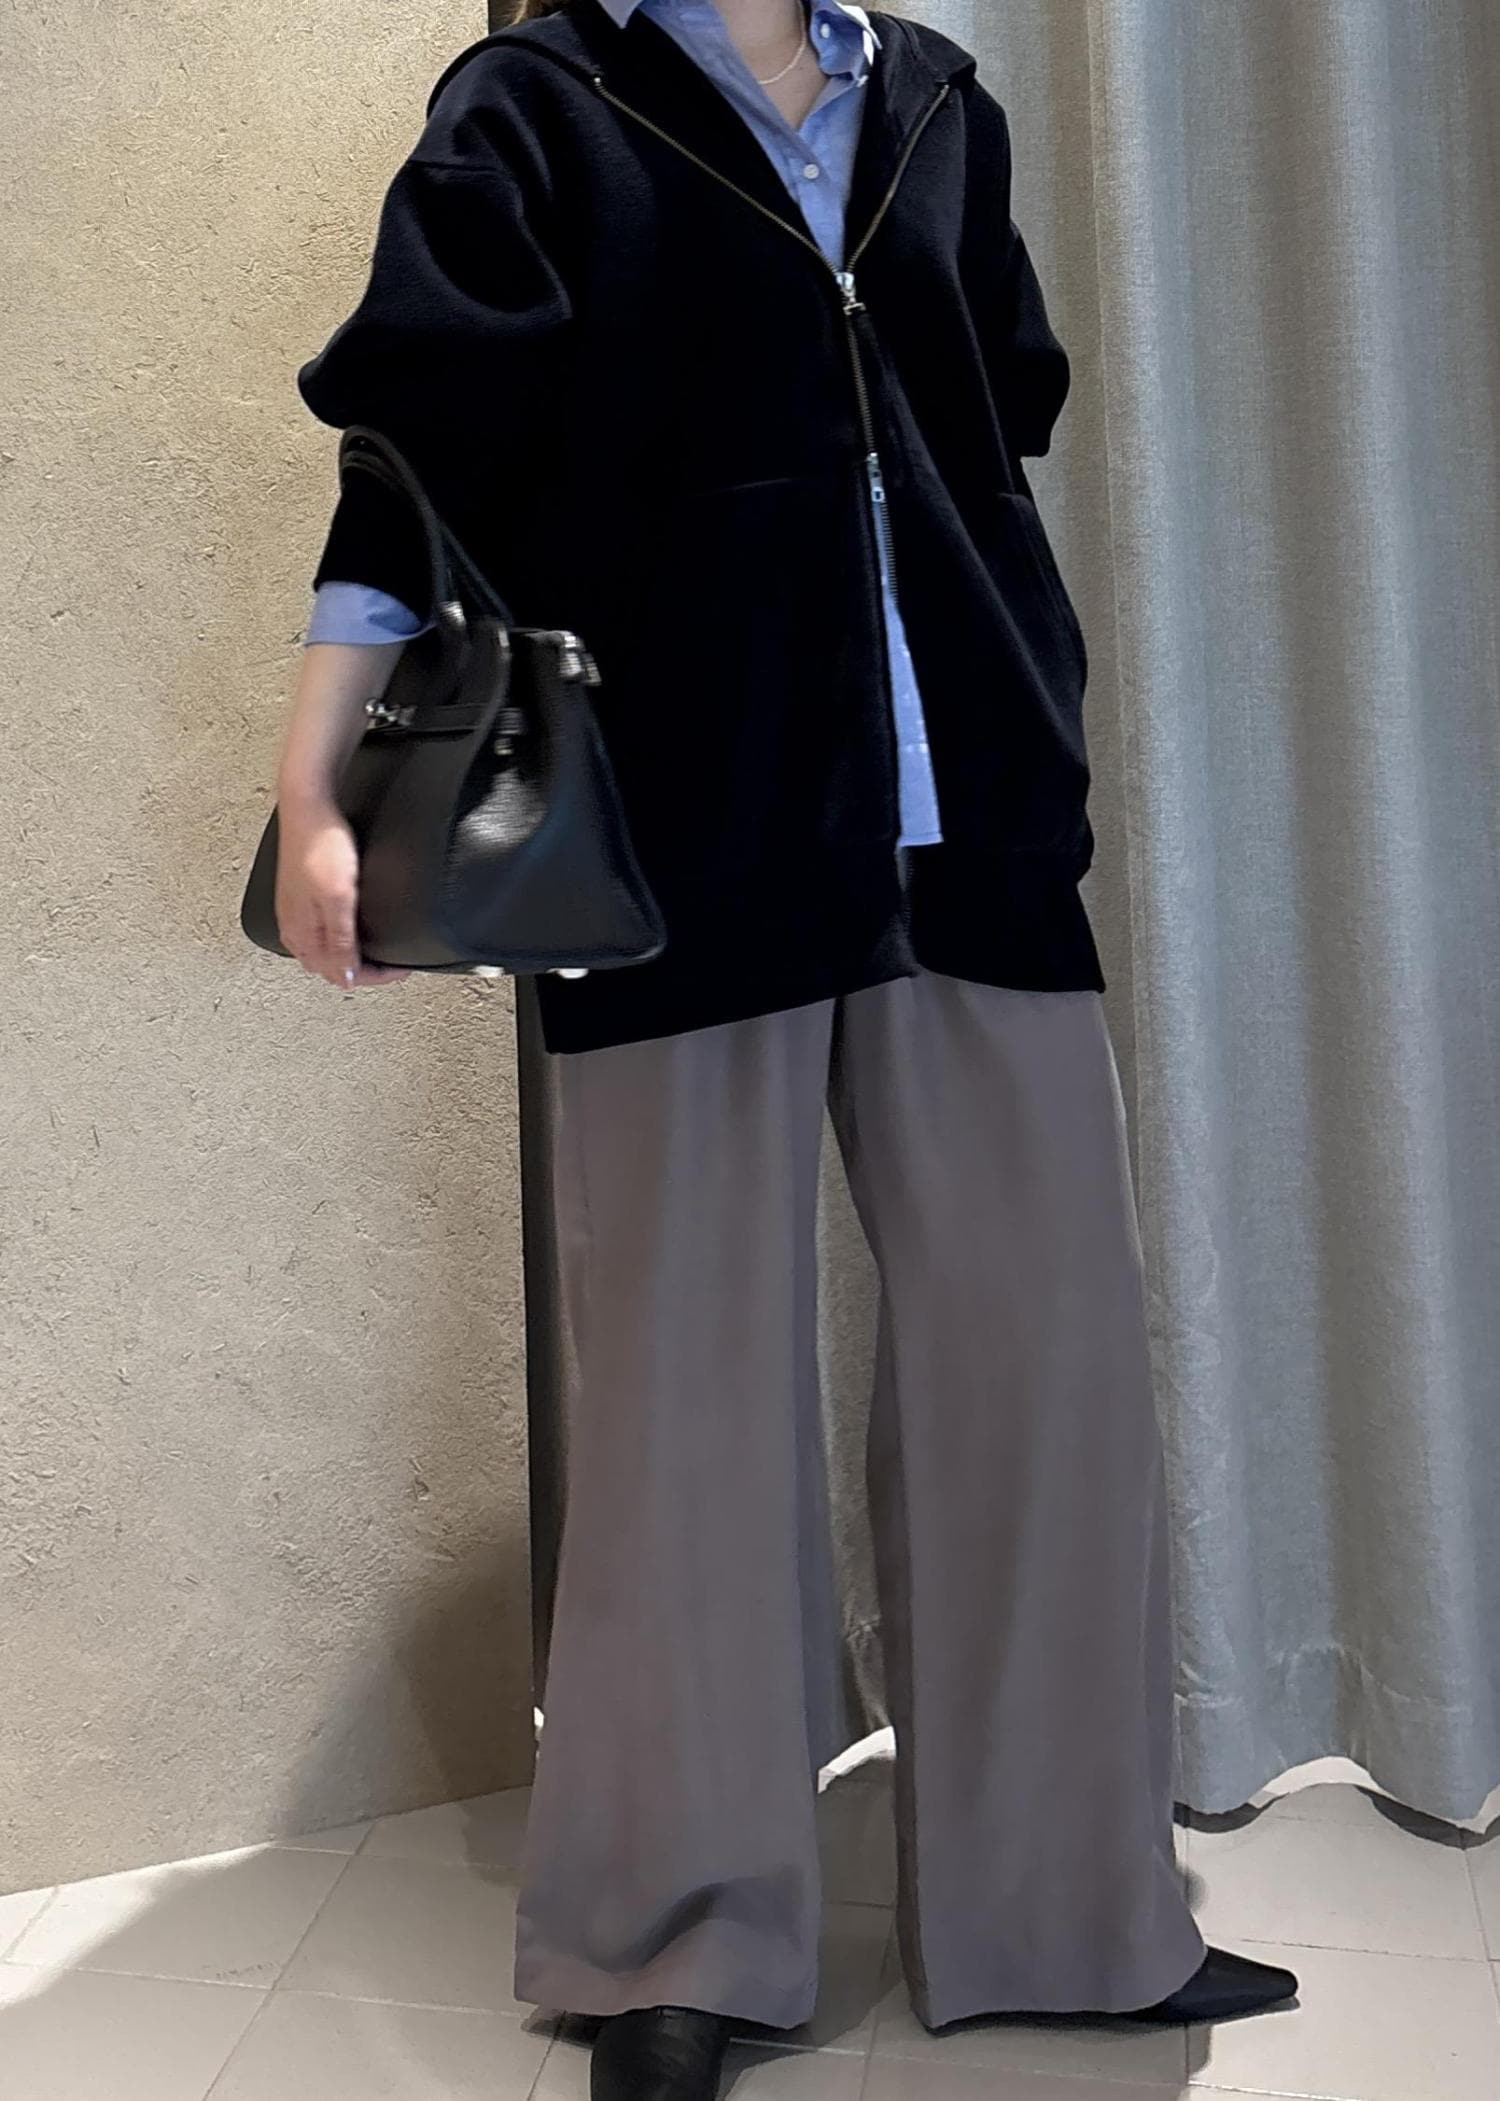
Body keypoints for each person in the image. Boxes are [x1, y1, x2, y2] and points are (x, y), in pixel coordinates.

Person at [271, 3, 1299, 2096]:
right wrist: (312, 794)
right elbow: (412, 471)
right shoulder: (540, 108)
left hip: (972, 835)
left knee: (1048, 1373)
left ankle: (1070, 1911)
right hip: (679, 844)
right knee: (684, 1398)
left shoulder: (933, 101)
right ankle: (680, 1941)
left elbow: (991, 421)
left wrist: (1030, 693)